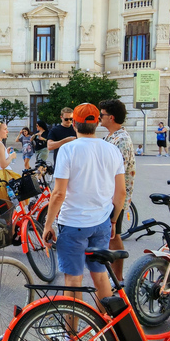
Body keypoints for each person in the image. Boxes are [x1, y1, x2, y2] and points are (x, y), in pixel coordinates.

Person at [43, 103, 125, 305]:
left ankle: (71, 333)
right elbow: (121, 192)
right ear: (97, 123)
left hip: (73, 223)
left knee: (73, 279)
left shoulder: (68, 150)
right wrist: (113, 221)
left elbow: (59, 193)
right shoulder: (112, 150)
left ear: (75, 125)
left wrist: (48, 224)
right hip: (101, 222)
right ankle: (106, 328)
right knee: (100, 275)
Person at [99, 99, 135, 281]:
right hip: (109, 195)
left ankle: (118, 278)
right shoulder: (111, 136)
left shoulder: (120, 140)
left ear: (111, 117)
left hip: (115, 197)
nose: (99, 117)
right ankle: (115, 276)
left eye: (102, 114)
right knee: (112, 236)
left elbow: (114, 172)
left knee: (114, 236)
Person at [0, 120, 21, 202]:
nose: (7, 131)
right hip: (2, 175)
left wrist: (5, 152)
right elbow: (3, 164)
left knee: (3, 204)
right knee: (9, 204)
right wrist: (11, 156)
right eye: (5, 129)